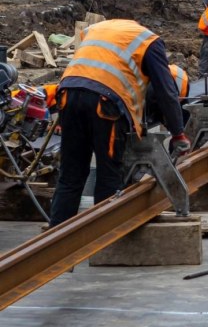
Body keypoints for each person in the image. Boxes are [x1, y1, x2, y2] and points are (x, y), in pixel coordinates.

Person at [48, 19, 190, 226]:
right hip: (105, 104)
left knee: (70, 175)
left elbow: (85, 72)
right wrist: (178, 133)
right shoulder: (150, 41)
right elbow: (166, 92)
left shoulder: (97, 30)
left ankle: (55, 240)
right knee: (109, 173)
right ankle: (105, 238)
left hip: (67, 95)